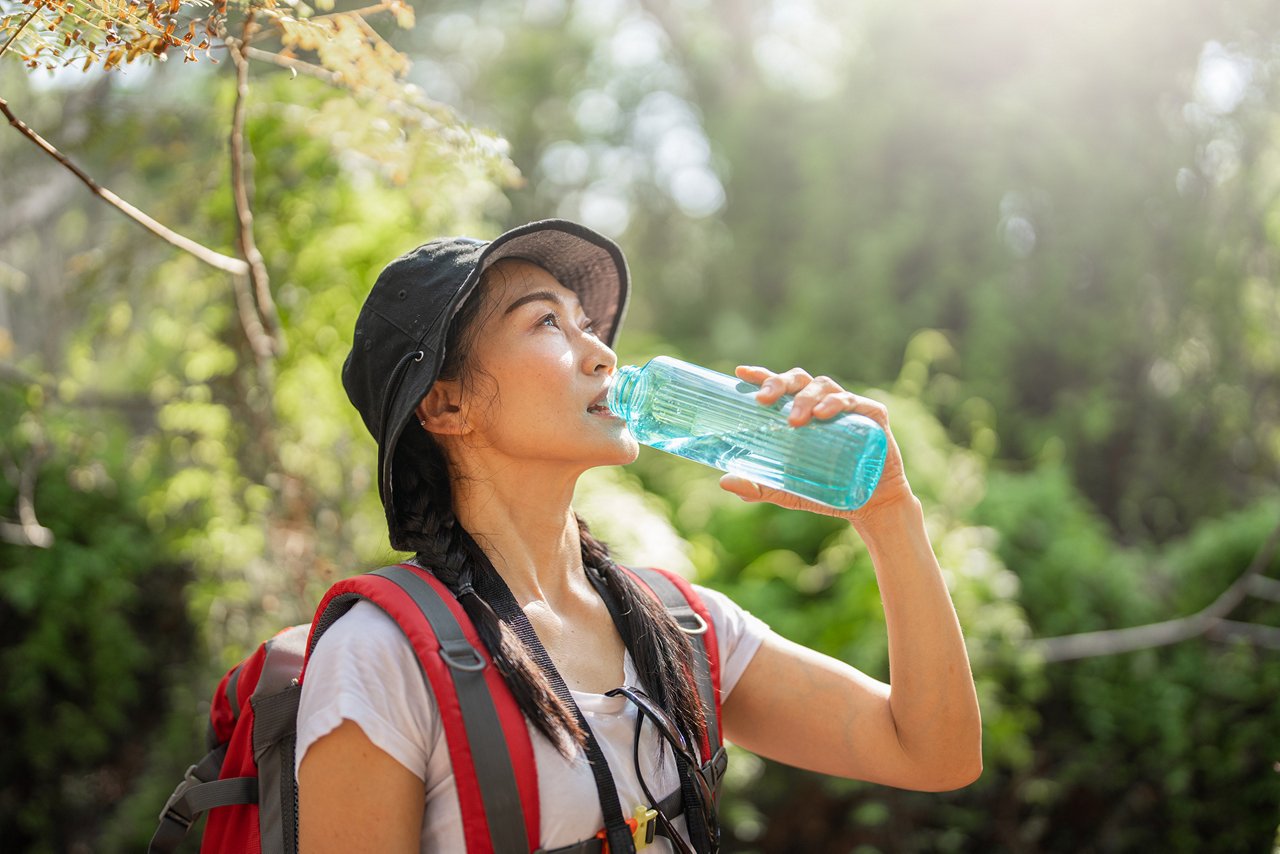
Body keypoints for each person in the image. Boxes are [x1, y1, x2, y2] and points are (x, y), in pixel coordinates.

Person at [295, 220, 982, 853]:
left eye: (587, 323)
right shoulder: (380, 661)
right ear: (446, 403)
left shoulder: (683, 629)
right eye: (546, 322)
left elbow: (934, 753)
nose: (600, 352)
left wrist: (891, 516)